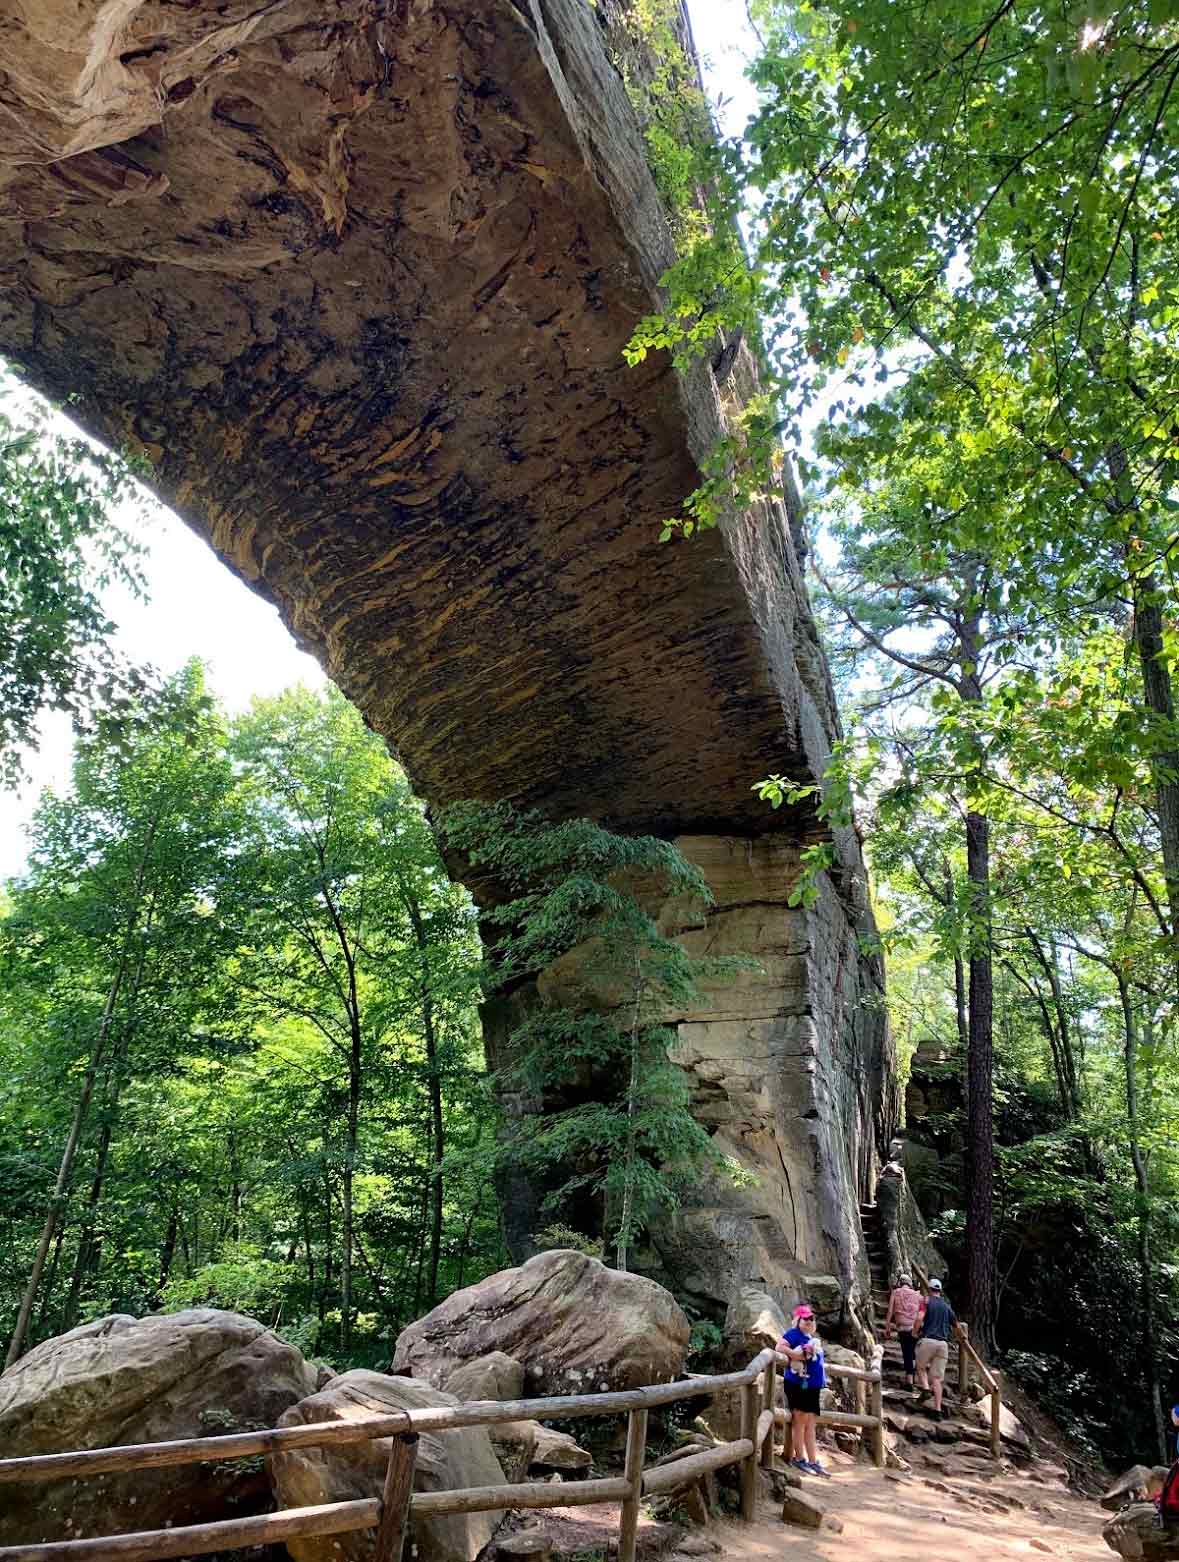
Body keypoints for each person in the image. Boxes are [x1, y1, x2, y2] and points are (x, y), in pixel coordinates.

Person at [778, 1304, 831, 1478]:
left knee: (810, 1423)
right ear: (798, 1320)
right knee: (800, 1420)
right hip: (798, 1384)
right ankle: (799, 1458)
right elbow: (779, 1347)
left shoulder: (809, 1337)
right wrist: (798, 1356)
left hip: (812, 1386)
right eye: (805, 1318)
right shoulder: (793, 1334)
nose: (809, 1321)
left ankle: (813, 1460)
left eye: (811, 1318)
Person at [914, 1277, 956, 1419]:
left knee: (920, 1367)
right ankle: (937, 1411)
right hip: (943, 1344)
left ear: (929, 1289)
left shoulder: (926, 1301)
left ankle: (926, 1389)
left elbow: (920, 1317)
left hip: (928, 1340)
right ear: (940, 1290)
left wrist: (914, 1331)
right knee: (937, 1379)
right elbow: (955, 1324)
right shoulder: (946, 1306)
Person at [884, 1273, 922, 1388]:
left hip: (902, 1328)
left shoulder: (896, 1293)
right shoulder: (917, 1295)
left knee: (907, 1353)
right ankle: (914, 1377)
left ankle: (909, 1381)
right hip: (915, 1327)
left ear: (900, 1283)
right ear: (910, 1284)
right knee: (913, 1353)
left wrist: (888, 1326)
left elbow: (890, 1311)